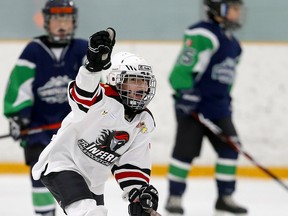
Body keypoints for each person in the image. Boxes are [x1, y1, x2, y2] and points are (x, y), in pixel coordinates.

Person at [31, 27, 160, 216]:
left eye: (144, 81)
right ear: (116, 80)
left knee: (96, 212)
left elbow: (132, 164)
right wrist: (92, 68)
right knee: (89, 213)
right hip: (62, 164)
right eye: (134, 80)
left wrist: (138, 194)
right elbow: (82, 95)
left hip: (93, 182)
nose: (141, 87)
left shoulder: (144, 121)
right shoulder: (101, 98)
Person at [3, 0, 87, 215]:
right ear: (47, 22)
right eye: (57, 18)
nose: (62, 24)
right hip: (39, 129)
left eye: (66, 19)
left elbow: (94, 87)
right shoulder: (33, 51)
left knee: (78, 178)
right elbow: (18, 87)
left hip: (73, 130)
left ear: (73, 22)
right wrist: (17, 117)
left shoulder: (81, 49)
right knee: (39, 173)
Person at [165, 0, 248, 215]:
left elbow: (227, 79)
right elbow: (181, 70)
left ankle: (225, 197)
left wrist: (226, 100)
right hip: (194, 107)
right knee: (185, 152)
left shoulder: (235, 45)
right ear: (217, 8)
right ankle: (174, 197)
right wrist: (184, 92)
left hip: (218, 108)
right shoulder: (203, 34)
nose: (237, 13)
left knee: (231, 148)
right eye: (233, 8)